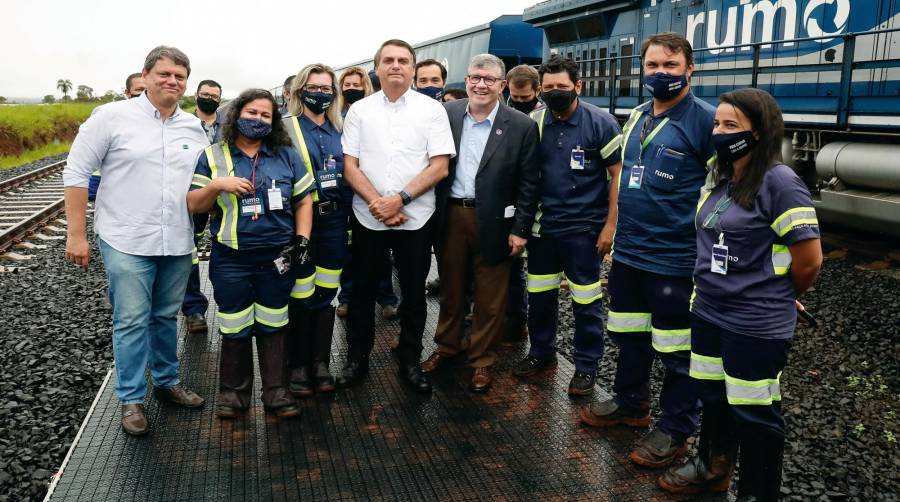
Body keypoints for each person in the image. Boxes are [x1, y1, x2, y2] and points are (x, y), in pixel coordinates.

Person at [661, 88, 822, 500]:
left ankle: (757, 491)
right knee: (713, 395)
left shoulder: (781, 182)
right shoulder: (723, 173)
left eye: (731, 126)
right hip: (710, 311)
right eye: (717, 123)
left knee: (755, 412)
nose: (719, 131)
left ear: (760, 131)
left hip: (754, 323)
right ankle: (711, 465)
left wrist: (778, 293)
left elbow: (809, 261)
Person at [578, 32, 716, 468]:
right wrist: (614, 230)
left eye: (671, 66)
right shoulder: (637, 115)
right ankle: (631, 404)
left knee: (677, 350)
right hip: (631, 253)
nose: (661, 74)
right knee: (629, 334)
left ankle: (676, 428)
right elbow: (624, 177)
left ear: (690, 69)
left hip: (675, 259)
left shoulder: (706, 123)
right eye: (653, 65)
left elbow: (729, 192)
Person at [64, 46, 207, 436]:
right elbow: (76, 173)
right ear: (145, 76)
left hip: (176, 239)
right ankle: (131, 399)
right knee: (129, 320)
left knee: (164, 317)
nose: (171, 81)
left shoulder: (193, 127)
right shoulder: (111, 117)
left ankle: (167, 382)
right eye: (164, 74)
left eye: (179, 76)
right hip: (125, 238)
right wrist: (76, 234)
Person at [187, 88, 314, 419]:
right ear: (236, 114)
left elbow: (303, 200)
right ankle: (233, 394)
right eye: (252, 113)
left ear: (273, 121)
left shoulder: (286, 155)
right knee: (234, 324)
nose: (258, 120)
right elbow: (193, 203)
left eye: (266, 115)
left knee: (275, 321)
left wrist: (302, 240)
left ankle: (277, 391)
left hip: (277, 257)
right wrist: (217, 186)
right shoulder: (213, 156)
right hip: (231, 259)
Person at [339, 39, 455, 393]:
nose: (395, 66)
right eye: (388, 60)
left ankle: (410, 361)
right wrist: (379, 202)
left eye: (403, 60)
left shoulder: (431, 110)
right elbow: (349, 166)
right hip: (368, 216)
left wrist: (400, 199)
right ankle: (357, 359)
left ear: (413, 68)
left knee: (414, 294)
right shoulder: (360, 111)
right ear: (376, 68)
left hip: (415, 218)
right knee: (361, 292)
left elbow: (439, 166)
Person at [421, 54, 540, 392]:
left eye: (489, 79)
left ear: (502, 85)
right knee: (451, 287)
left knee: (491, 295)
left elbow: (529, 182)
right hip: (451, 214)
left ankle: (482, 361)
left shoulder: (521, 125)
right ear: (466, 80)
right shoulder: (448, 114)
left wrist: (520, 230)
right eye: (475, 77)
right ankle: (447, 346)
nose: (481, 84)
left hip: (495, 220)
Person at [511, 56, 622, 397]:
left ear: (578, 86)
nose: (555, 92)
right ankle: (541, 353)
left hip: (584, 231)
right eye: (549, 87)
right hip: (544, 230)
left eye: (563, 86)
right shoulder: (534, 122)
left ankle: (587, 366)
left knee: (586, 301)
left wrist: (609, 228)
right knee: (540, 296)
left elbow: (618, 176)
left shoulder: (601, 123)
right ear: (540, 89)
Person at [282, 64, 352, 397]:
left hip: (336, 222)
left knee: (326, 293)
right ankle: (296, 365)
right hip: (301, 221)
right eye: (314, 87)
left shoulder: (343, 130)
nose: (320, 94)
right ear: (299, 91)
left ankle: (320, 363)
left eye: (327, 89)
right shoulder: (284, 129)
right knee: (299, 294)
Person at [335, 67, 400, 321]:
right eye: (347, 85)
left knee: (381, 249)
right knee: (350, 249)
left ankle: (386, 297)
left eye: (357, 85)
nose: (352, 89)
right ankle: (347, 297)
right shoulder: (336, 117)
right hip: (344, 193)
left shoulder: (378, 114)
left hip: (372, 190)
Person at [501, 64, 544, 344]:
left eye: (523, 98)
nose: (517, 102)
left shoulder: (544, 117)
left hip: (533, 200)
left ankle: (518, 322)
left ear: (536, 91)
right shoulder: (501, 111)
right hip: (505, 199)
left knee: (518, 270)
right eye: (514, 97)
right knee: (506, 264)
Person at [182, 79, 226, 335]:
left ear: (219, 99)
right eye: (205, 94)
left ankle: (229, 300)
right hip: (195, 196)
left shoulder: (229, 125)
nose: (209, 98)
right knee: (190, 250)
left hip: (226, 198)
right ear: (196, 95)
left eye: (214, 95)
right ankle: (193, 308)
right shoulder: (184, 125)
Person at [87, 73, 147, 201]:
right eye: (139, 90)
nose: (144, 94)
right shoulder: (111, 117)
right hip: (110, 189)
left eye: (147, 90)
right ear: (127, 92)